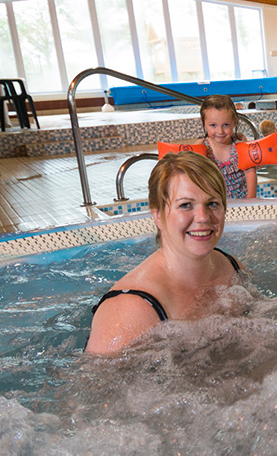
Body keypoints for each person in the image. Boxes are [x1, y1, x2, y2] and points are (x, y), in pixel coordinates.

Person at [86, 151, 243, 355]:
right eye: (185, 205)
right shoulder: (130, 310)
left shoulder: (232, 267)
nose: (203, 217)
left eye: (212, 203)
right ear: (158, 215)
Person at [201, 95, 257, 199]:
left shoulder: (240, 145)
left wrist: (251, 199)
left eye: (226, 125)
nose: (220, 131)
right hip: (214, 205)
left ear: (234, 122)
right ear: (203, 123)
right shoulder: (202, 147)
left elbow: (250, 172)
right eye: (213, 125)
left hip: (241, 203)